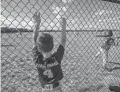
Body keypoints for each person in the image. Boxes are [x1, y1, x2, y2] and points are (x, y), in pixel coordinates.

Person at [32, 12, 66, 92]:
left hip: (46, 87)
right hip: (58, 85)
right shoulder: (56, 58)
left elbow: (34, 41)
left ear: (39, 49)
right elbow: (63, 41)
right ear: (53, 46)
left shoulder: (37, 58)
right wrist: (63, 26)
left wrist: (37, 24)